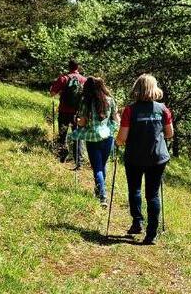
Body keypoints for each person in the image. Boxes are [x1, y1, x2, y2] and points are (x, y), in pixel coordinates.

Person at [116, 73, 173, 244]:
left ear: (137, 88)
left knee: (135, 190)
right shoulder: (163, 109)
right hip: (157, 157)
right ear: (155, 89)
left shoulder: (129, 110)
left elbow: (122, 138)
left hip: (134, 157)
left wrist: (117, 142)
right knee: (153, 194)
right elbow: (169, 134)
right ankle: (151, 234)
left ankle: (137, 222)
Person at [70, 77, 119, 207]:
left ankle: (102, 196)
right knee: (102, 165)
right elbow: (115, 119)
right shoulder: (110, 100)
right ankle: (99, 191)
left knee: (97, 167)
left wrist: (77, 121)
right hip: (107, 137)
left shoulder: (86, 102)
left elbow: (83, 122)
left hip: (92, 138)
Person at [50, 59, 87, 167]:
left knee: (62, 135)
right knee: (78, 136)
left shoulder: (64, 78)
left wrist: (61, 92)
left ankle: (61, 157)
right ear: (78, 67)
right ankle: (78, 161)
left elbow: (52, 93)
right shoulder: (84, 80)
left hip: (64, 111)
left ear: (69, 67)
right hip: (78, 113)